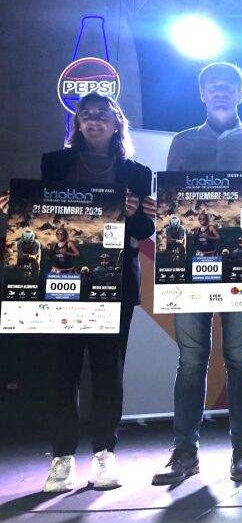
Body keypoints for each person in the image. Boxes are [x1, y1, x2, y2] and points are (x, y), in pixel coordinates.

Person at [148, 62, 242, 485]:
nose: (221, 92)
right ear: (202, 93)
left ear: (240, 94)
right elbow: (169, 200)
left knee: (240, 358)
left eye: (229, 86)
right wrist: (160, 206)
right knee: (191, 359)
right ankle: (184, 453)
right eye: (214, 86)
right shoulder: (182, 142)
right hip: (188, 265)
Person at [8, 92, 153, 492]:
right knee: (62, 369)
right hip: (62, 282)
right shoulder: (55, 162)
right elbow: (40, 214)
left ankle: (105, 453)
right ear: (77, 123)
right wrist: (15, 208)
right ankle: (62, 457)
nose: (93, 119)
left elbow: (144, 232)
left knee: (108, 371)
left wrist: (136, 212)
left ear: (116, 122)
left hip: (115, 282)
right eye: (85, 114)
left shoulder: (137, 171)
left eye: (101, 114)